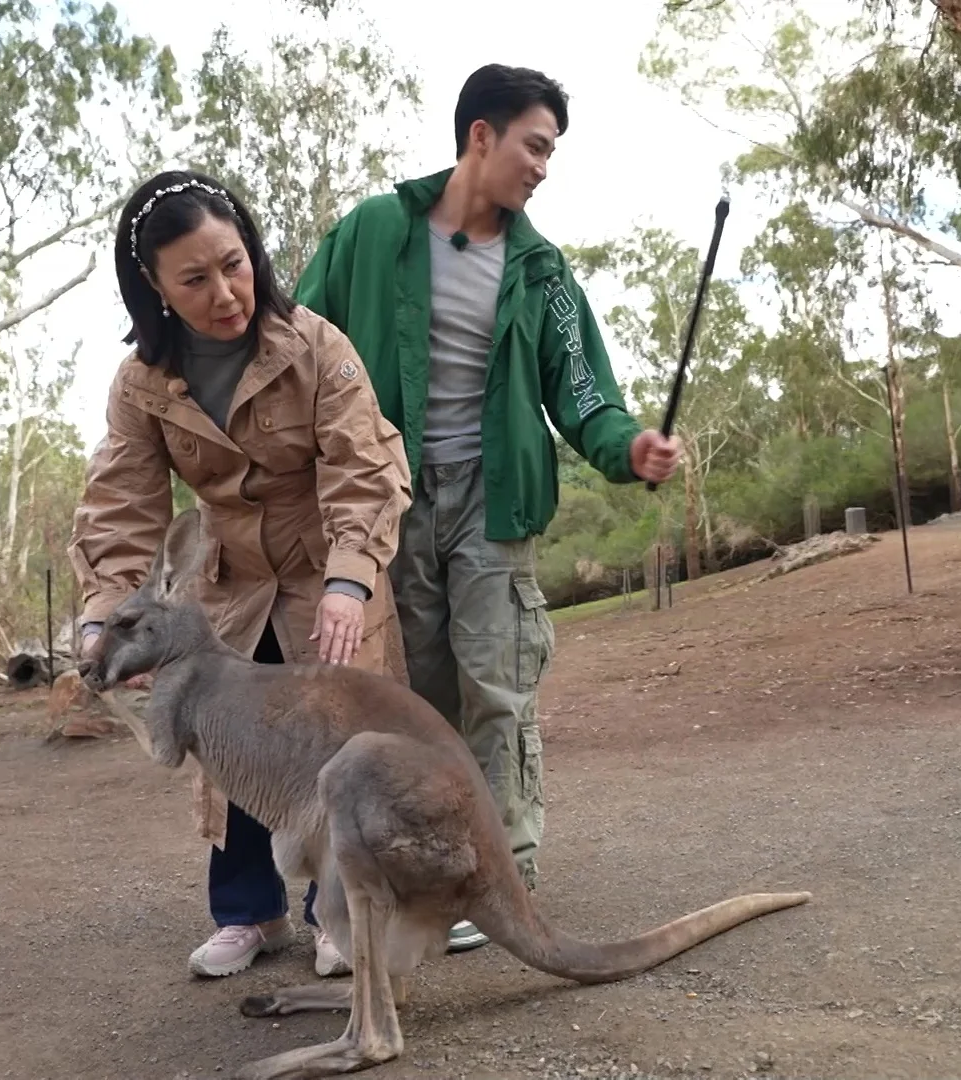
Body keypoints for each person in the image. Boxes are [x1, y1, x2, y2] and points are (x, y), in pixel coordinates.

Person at [295, 64, 683, 952]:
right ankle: (435, 870)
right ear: (481, 135)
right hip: (391, 501)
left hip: (492, 502)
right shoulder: (372, 232)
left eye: (551, 153)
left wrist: (629, 447)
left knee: (497, 689)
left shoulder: (542, 272)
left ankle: (502, 879)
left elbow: (584, 391)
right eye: (534, 146)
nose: (543, 167)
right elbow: (299, 343)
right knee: (419, 701)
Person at [70, 169, 412, 981]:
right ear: (154, 287)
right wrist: (102, 617)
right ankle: (248, 912)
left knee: (332, 744)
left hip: (328, 571)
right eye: (194, 279)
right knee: (228, 740)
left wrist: (350, 581)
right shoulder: (142, 384)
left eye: (234, 264)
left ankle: (336, 914)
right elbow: (122, 505)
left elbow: (363, 468)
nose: (224, 293)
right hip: (227, 585)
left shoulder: (315, 345)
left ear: (252, 250)